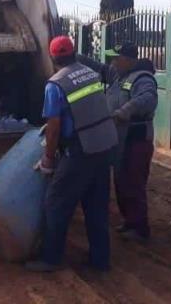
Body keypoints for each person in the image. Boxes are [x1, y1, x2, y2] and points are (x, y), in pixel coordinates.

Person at [26, 35, 119, 272]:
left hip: (81, 149)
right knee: (96, 206)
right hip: (105, 144)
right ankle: (101, 261)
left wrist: (48, 159)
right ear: (73, 53)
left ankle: (50, 258)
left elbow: (54, 127)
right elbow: (85, 106)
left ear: (52, 57)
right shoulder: (89, 72)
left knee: (56, 201)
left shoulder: (55, 84)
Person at [78, 42, 158, 242]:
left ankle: (140, 228)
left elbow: (148, 98)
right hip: (120, 139)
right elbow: (99, 67)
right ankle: (129, 221)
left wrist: (124, 111)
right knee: (121, 180)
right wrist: (75, 56)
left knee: (134, 181)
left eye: (116, 58)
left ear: (128, 60)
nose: (112, 62)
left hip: (136, 139)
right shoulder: (118, 76)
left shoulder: (142, 78)